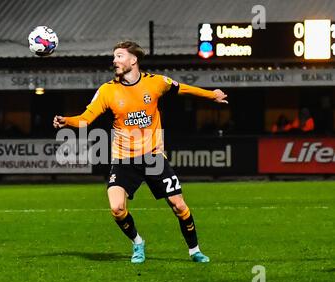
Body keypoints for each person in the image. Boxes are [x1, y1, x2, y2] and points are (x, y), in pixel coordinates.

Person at [53, 41, 228, 264]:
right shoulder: (107, 91)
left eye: (119, 56)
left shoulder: (155, 83)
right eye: (114, 57)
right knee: (117, 208)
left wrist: (212, 95)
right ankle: (138, 243)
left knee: (179, 205)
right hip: (124, 159)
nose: (114, 61)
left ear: (133, 60)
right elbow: (85, 119)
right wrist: (66, 121)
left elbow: (182, 88)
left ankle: (194, 250)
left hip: (153, 156)